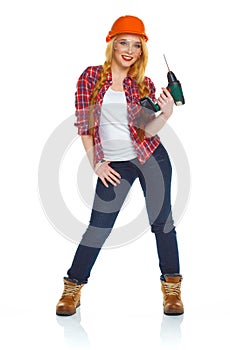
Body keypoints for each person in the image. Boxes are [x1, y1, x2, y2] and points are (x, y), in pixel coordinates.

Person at [56, 15, 184, 317]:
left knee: (162, 223)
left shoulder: (143, 83)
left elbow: (145, 131)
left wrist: (165, 114)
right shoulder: (89, 77)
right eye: (123, 42)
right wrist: (96, 163)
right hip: (114, 165)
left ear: (142, 52)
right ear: (112, 43)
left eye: (136, 46)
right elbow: (85, 127)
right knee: (98, 228)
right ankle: (72, 289)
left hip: (151, 158)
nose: (129, 50)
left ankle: (172, 291)